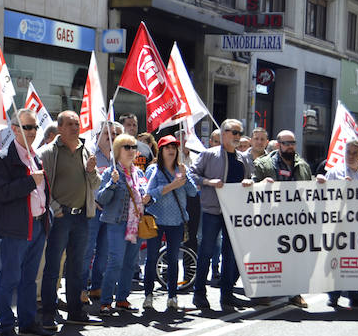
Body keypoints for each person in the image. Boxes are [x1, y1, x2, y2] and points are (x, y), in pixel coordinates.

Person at [0, 108, 54, 336]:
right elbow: (0, 193)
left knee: (29, 278)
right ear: (14, 129)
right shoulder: (3, 158)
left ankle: (27, 323)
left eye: (35, 127)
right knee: (10, 276)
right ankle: (6, 326)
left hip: (37, 224)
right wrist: (30, 182)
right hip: (16, 228)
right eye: (28, 127)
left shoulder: (35, 155)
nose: (33, 131)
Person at [38, 110, 103, 327]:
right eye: (71, 124)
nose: (76, 127)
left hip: (82, 216)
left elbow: (95, 185)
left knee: (76, 266)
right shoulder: (48, 152)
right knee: (53, 266)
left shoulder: (87, 150)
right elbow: (43, 186)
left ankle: (75, 311)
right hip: (60, 216)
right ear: (60, 129)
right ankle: (48, 311)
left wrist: (92, 172)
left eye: (77, 123)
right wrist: (55, 208)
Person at [189, 119, 254, 312]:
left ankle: (227, 294)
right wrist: (208, 182)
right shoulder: (209, 154)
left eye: (239, 133)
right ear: (223, 133)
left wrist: (249, 182)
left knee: (231, 254)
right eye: (233, 132)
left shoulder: (243, 158)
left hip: (235, 213)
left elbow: (249, 179)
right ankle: (199, 293)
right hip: (212, 211)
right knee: (206, 252)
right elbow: (192, 175)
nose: (237, 136)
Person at [252, 130, 312, 308]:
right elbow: (252, 187)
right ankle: (264, 292)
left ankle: (295, 293)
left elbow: (310, 190)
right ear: (278, 145)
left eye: (293, 142)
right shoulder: (264, 164)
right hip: (270, 218)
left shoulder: (303, 166)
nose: (290, 146)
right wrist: (259, 184)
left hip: (294, 219)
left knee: (294, 257)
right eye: (286, 143)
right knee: (268, 255)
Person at [95, 133, 149, 315]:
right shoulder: (111, 172)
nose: (132, 151)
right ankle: (105, 301)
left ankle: (122, 299)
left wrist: (150, 198)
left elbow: (146, 196)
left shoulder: (139, 172)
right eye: (127, 147)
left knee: (130, 262)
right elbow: (101, 199)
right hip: (117, 223)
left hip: (136, 223)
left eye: (134, 147)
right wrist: (112, 183)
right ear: (118, 150)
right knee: (116, 261)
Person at [318, 138, 358, 308]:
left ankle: (356, 295)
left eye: (355, 153)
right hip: (339, 224)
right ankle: (333, 295)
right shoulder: (335, 172)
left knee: (355, 260)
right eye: (348, 152)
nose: (350, 156)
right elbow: (324, 197)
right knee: (337, 259)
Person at [144, 135, 197, 311]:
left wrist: (184, 176)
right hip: (156, 220)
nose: (172, 149)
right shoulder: (154, 170)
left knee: (173, 259)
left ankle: (172, 296)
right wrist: (172, 186)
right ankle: (148, 295)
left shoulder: (182, 169)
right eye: (167, 147)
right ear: (161, 150)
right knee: (151, 258)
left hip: (176, 221)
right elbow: (148, 194)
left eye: (174, 146)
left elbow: (193, 192)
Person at [83, 121, 123, 300]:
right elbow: (83, 180)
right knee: (87, 251)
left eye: (114, 134)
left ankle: (97, 286)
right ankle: (82, 288)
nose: (111, 137)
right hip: (92, 210)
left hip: (111, 212)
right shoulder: (90, 155)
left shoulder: (118, 157)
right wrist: (93, 199)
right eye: (107, 133)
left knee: (104, 252)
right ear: (98, 135)